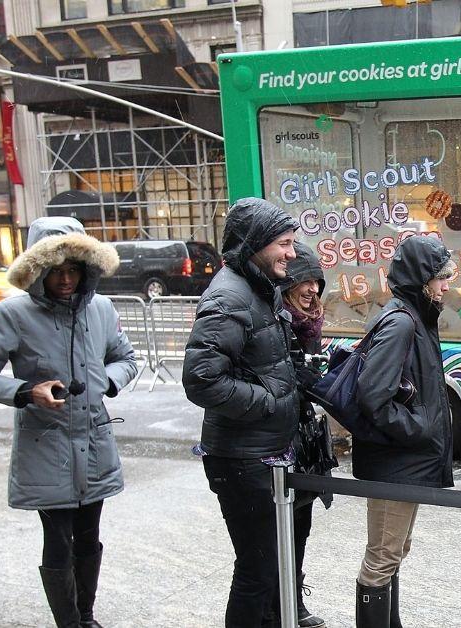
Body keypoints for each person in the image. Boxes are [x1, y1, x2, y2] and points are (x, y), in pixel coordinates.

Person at [0, 217, 137, 628]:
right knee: (58, 540)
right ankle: (68, 623)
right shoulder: (12, 314)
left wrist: (107, 382)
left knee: (89, 536)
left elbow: (125, 358)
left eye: (74, 269)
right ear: (38, 270)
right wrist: (24, 391)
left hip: (94, 443)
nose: (66, 279)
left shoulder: (102, 309)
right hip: (46, 445)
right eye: (56, 270)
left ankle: (86, 616)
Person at [182, 198, 300, 628]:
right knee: (257, 569)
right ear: (255, 244)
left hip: (261, 452)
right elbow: (201, 380)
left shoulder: (256, 286)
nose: (292, 253)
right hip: (242, 458)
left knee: (267, 568)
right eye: (284, 244)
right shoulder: (229, 296)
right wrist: (269, 402)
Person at [353, 235, 455, 628]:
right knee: (381, 557)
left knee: (394, 551)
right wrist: (419, 427)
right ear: (421, 279)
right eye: (441, 277)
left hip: (403, 461)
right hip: (394, 462)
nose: (447, 285)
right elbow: (372, 396)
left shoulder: (417, 316)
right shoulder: (401, 322)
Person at [283, 241, 335, 628]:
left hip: (308, 444)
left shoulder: (310, 323)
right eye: (305, 281)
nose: (313, 290)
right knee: (277, 533)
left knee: (302, 528)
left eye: (317, 282)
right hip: (280, 445)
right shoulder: (275, 321)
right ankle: (278, 601)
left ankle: (293, 597)